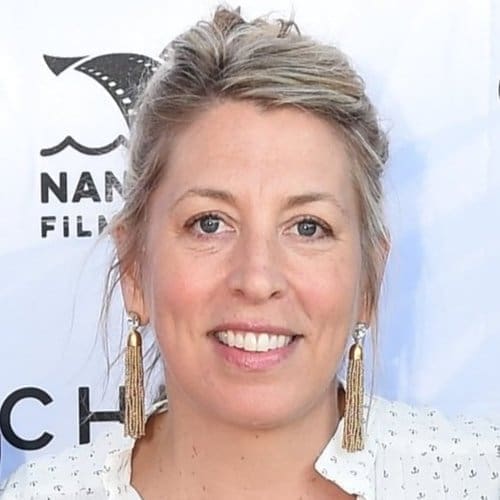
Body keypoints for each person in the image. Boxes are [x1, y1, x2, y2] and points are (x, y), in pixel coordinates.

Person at [1, 5, 499, 500]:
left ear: (369, 280)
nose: (257, 279)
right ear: (134, 268)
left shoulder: (477, 480)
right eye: (210, 223)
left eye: (307, 227)